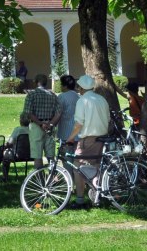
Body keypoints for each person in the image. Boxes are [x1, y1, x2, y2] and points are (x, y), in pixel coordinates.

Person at [66, 74, 110, 209]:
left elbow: (79, 124)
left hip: (88, 139)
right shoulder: (102, 99)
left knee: (77, 167)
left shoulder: (82, 101)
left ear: (81, 88)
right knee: (96, 166)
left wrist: (70, 138)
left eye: (79, 86)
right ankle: (97, 196)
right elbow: (108, 119)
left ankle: (80, 199)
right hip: (102, 138)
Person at [23, 73, 60, 169]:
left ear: (36, 82)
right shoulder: (53, 95)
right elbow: (58, 113)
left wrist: (40, 123)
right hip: (50, 126)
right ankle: (53, 176)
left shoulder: (31, 94)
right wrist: (50, 124)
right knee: (51, 156)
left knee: (37, 156)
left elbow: (28, 112)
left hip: (36, 126)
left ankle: (40, 177)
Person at [0, 112, 31, 180]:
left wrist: (4, 146)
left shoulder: (18, 130)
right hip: (31, 155)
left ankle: (4, 176)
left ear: (21, 120)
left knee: (4, 153)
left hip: (18, 155)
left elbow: (10, 143)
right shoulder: (33, 130)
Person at [56, 75, 80, 144]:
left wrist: (52, 124)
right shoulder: (78, 96)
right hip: (77, 132)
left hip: (65, 131)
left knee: (65, 150)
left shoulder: (62, 96)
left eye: (61, 84)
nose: (60, 86)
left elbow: (58, 113)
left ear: (65, 86)